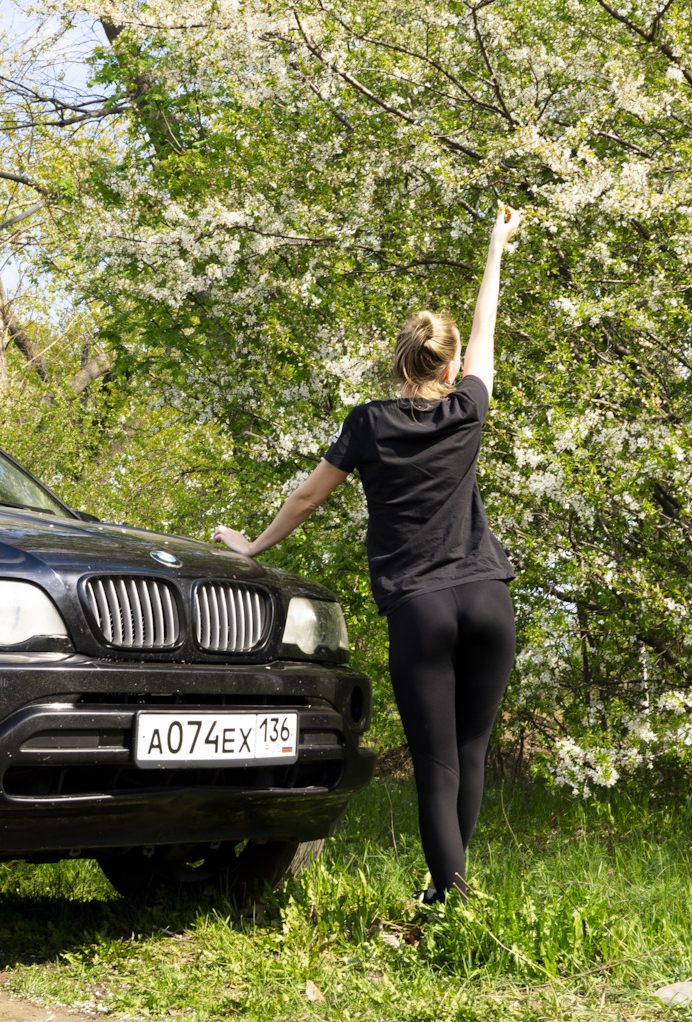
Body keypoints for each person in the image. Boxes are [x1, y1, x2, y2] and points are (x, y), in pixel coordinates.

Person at [212, 205, 523, 902]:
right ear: (448, 365)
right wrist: (495, 247)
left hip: (422, 607)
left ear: (403, 358)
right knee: (469, 756)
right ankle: (451, 893)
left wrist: (253, 542)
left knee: (437, 765)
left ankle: (450, 898)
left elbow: (306, 498)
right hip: (488, 596)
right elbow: (486, 335)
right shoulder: (468, 408)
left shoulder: (369, 423)